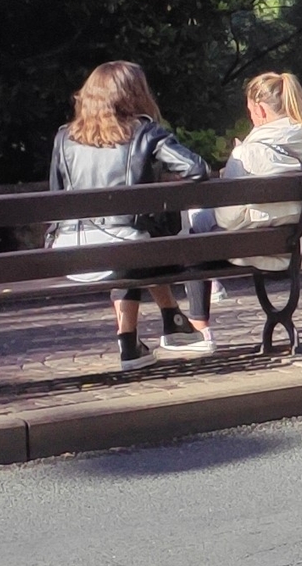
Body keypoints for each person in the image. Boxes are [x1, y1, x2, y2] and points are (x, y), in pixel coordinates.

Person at [48, 61, 212, 366]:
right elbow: (197, 169)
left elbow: (57, 200)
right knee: (138, 241)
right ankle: (168, 323)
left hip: (71, 252)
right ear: (135, 94)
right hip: (127, 247)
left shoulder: (63, 138)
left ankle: (143, 337)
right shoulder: (146, 133)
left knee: (134, 244)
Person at [207, 72, 302, 266]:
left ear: (260, 110)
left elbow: (228, 220)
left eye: (250, 111)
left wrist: (232, 169)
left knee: (196, 217)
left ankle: (208, 292)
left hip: (255, 249)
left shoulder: (246, 154)